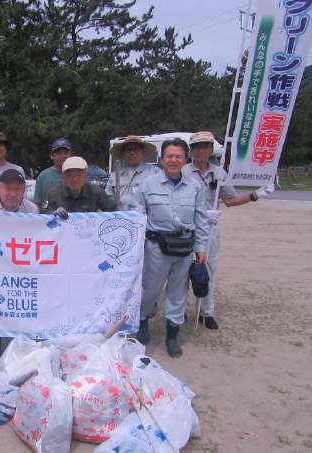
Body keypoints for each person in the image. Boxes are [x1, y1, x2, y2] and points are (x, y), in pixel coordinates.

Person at [182, 131, 275, 330]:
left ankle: (207, 312)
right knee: (182, 271)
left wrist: (256, 194)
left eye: (205, 146)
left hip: (209, 229)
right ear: (190, 151)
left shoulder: (219, 173)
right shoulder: (183, 172)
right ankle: (180, 312)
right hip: (186, 227)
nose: (201, 151)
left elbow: (230, 201)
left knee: (208, 270)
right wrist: (202, 212)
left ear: (211, 150)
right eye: (197, 147)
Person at [131, 138, 209, 358]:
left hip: (184, 247)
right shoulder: (148, 185)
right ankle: (143, 320)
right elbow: (135, 210)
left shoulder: (194, 187)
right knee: (150, 288)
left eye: (178, 156)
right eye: (169, 156)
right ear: (161, 159)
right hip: (156, 247)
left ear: (185, 159)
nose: (173, 160)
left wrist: (201, 247)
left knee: (178, 291)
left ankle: (172, 334)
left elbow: (201, 218)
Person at [0, 169, 38, 363]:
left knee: (20, 307)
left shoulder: (31, 209)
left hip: (20, 268)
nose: (12, 193)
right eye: (8, 188)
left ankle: (19, 350)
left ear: (24, 190)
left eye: (18, 188)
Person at [40, 156, 115, 217]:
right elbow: (43, 216)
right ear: (63, 177)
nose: (75, 179)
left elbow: (115, 212)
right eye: (69, 175)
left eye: (79, 175)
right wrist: (52, 214)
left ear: (86, 176)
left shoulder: (98, 193)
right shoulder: (53, 194)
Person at [106, 135, 161, 210]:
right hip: (120, 219)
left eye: (136, 149)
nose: (132, 152)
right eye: (128, 149)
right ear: (123, 153)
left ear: (143, 152)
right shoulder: (114, 176)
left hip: (145, 220)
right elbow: (107, 201)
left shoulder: (155, 173)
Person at [33, 138, 73, 209]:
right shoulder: (43, 176)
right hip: (48, 218)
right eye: (58, 152)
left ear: (71, 155)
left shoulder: (80, 175)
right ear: (51, 155)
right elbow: (37, 205)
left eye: (65, 152)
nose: (62, 156)